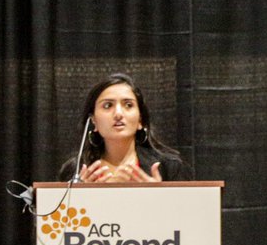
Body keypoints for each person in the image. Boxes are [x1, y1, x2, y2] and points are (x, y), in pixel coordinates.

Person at [58, 73, 190, 183]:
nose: (118, 114)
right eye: (108, 105)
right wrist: (78, 198)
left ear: (140, 120)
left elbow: (187, 212)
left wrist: (158, 196)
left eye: (128, 105)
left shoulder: (169, 168)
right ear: (94, 121)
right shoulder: (76, 170)